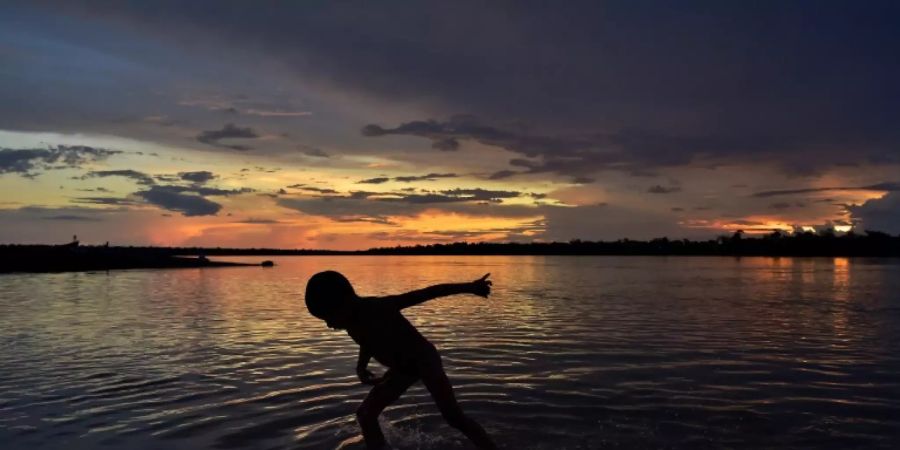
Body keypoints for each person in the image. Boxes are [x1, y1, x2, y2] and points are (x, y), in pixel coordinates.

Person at [305, 270, 497, 449]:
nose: (329, 324)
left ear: (345, 303)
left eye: (328, 317)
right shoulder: (349, 322)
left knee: (454, 418)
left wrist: (470, 287)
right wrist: (361, 366)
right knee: (365, 415)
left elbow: (428, 292)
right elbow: (367, 340)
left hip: (424, 361)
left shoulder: (379, 307)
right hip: (402, 369)